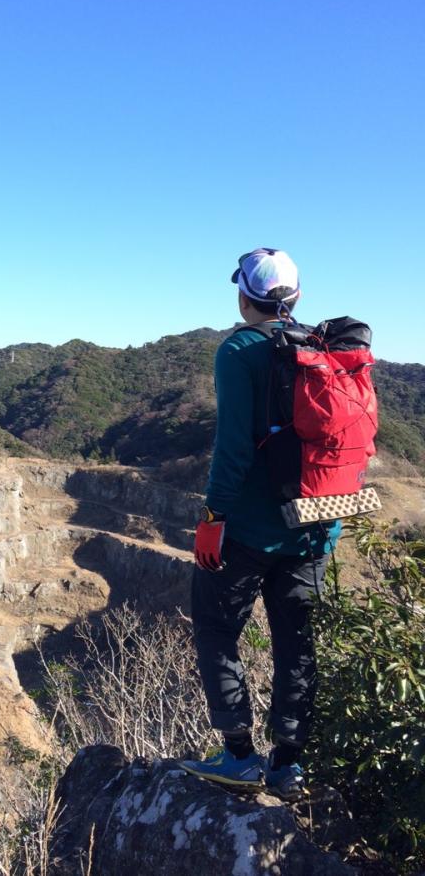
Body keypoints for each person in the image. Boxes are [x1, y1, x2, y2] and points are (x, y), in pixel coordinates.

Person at [179, 248, 340, 800]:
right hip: (317, 524)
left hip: (248, 528)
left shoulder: (239, 349)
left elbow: (232, 449)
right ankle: (288, 766)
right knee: (298, 643)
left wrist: (211, 517)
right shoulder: (326, 347)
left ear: (244, 295)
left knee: (218, 629)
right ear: (295, 298)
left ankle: (240, 758)